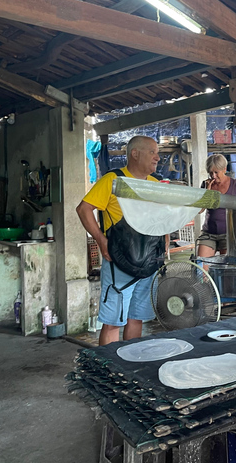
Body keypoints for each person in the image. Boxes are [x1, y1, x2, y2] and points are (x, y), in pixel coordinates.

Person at [76, 136, 161, 346]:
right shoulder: (113, 180)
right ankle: (108, 371)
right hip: (119, 262)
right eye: (152, 152)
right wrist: (101, 240)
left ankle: (129, 365)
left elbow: (163, 216)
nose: (157, 157)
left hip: (149, 262)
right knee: (113, 321)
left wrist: (165, 242)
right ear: (135, 154)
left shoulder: (156, 184)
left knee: (136, 317)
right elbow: (83, 209)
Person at [196, 154, 236, 259]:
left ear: (224, 169)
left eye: (216, 172)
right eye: (210, 173)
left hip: (228, 234)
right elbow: (200, 210)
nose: (213, 176)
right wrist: (207, 191)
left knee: (227, 268)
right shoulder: (206, 184)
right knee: (201, 264)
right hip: (209, 233)